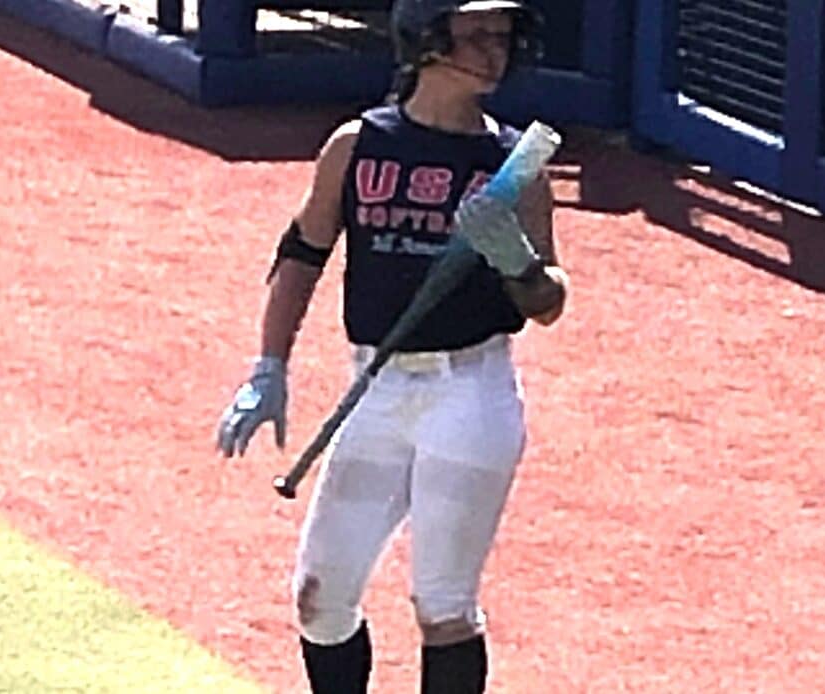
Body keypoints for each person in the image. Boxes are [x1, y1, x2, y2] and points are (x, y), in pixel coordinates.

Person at [216, 1, 569, 691]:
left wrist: (519, 264)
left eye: (502, 36)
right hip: (376, 391)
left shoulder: (514, 164)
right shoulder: (357, 145)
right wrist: (269, 366)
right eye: (475, 35)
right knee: (320, 598)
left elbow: (548, 303)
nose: (493, 51)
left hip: (470, 395)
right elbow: (303, 252)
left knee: (444, 606)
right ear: (427, 41)